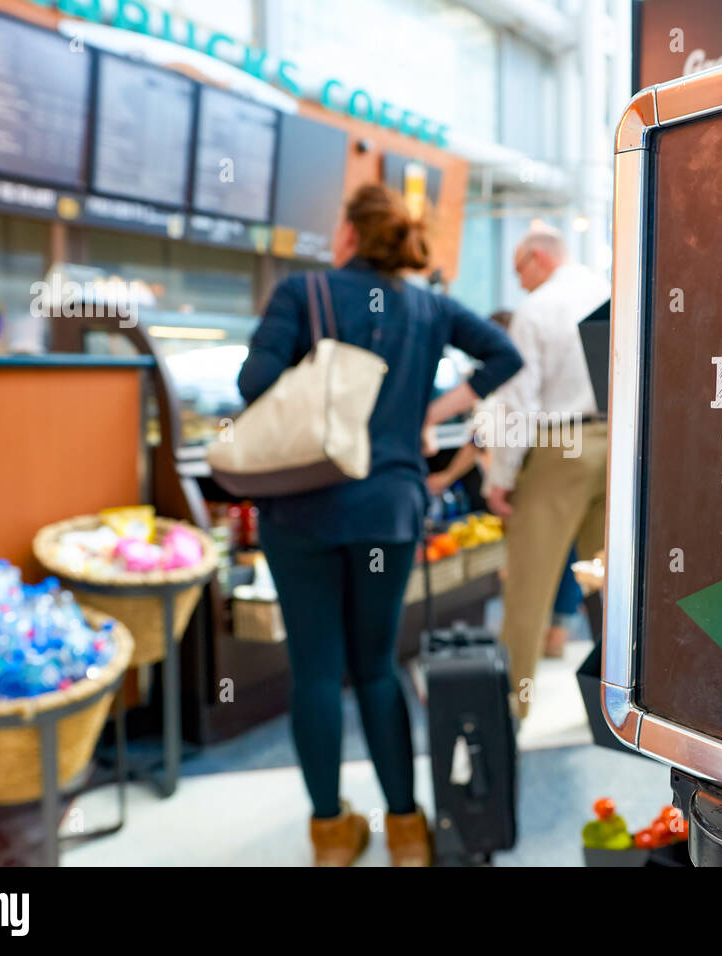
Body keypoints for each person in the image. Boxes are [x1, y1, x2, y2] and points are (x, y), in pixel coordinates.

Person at [237, 185, 522, 867]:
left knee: (314, 671)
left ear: (349, 235)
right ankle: (404, 831)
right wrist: (428, 411)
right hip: (388, 510)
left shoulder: (302, 294)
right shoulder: (429, 307)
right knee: (376, 668)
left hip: (301, 507)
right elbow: (505, 356)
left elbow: (253, 383)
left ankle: (332, 836)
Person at [484, 225, 609, 719]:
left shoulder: (536, 310)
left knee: (530, 584)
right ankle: (620, 703)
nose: (519, 283)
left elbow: (519, 402)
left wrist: (501, 476)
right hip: (616, 444)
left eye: (520, 270)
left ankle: (513, 703)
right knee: (606, 582)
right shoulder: (612, 291)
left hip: (561, 446)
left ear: (539, 257)